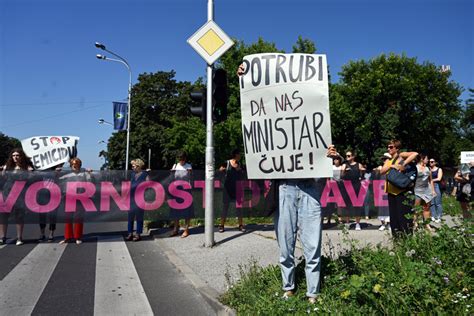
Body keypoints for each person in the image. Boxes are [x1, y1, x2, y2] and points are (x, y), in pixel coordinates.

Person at [237, 63, 337, 304]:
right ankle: (288, 287)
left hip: (310, 188)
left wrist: (334, 156)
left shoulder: (315, 120)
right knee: (285, 244)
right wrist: (246, 78)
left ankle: (312, 293)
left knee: (313, 244)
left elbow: (328, 158)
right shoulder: (274, 111)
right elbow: (254, 111)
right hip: (285, 187)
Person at [380, 140, 418, 237]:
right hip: (391, 193)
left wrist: (403, 164)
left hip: (403, 192)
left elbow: (415, 154)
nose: (389, 149)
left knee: (404, 218)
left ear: (397, 148)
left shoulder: (401, 155)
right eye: (388, 147)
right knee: (394, 219)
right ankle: (397, 240)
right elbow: (382, 171)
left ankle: (408, 239)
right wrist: (392, 166)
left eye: (391, 147)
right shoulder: (389, 161)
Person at [0, 148, 34, 245]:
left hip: (20, 193)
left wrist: (31, 172)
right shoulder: (8, 167)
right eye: (13, 155)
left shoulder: (27, 167)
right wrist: (3, 171)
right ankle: (2, 237)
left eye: (17, 155)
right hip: (7, 192)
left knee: (19, 216)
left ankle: (19, 238)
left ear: (21, 156)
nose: (15, 157)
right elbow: (3, 178)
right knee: (3, 216)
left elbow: (32, 179)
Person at [59, 158, 91, 245]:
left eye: (76, 164)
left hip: (80, 198)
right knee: (68, 218)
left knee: (79, 218)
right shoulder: (67, 175)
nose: (74, 165)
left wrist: (89, 174)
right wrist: (56, 172)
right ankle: (68, 237)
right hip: (69, 198)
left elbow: (90, 182)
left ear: (79, 165)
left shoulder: (84, 174)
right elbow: (58, 180)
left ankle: (78, 236)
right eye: (73, 164)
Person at [218, 149, 245, 233]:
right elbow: (219, 171)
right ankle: (221, 225)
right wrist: (221, 170)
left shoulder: (240, 164)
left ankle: (240, 225)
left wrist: (239, 170)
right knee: (225, 207)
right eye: (239, 154)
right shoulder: (227, 163)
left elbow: (243, 174)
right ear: (235, 155)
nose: (240, 156)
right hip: (227, 188)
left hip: (237, 187)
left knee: (239, 207)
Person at [169, 152, 194, 238]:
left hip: (186, 190)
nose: (181, 161)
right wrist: (171, 172)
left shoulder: (188, 166)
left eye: (182, 159)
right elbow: (172, 177)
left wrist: (190, 173)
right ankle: (176, 228)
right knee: (176, 209)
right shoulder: (175, 166)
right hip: (177, 190)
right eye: (180, 159)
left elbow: (191, 178)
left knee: (187, 210)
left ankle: (186, 229)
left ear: (185, 159)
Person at [341, 150, 366, 230]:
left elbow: (362, 175)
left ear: (353, 156)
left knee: (357, 206)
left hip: (356, 186)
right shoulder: (344, 165)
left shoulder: (358, 165)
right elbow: (341, 176)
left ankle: (357, 223)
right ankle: (347, 223)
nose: (347, 157)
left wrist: (362, 172)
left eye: (348, 156)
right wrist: (344, 171)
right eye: (346, 156)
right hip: (347, 187)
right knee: (347, 206)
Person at [126, 159, 149, 242]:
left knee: (139, 217)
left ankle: (138, 234)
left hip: (140, 198)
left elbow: (148, 185)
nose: (132, 167)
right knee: (130, 216)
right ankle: (130, 233)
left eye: (134, 166)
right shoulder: (132, 174)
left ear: (138, 166)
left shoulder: (145, 174)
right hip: (131, 198)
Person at [413, 154, 435, 231]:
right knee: (416, 208)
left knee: (426, 208)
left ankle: (427, 224)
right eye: (426, 158)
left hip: (426, 190)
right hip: (417, 190)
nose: (428, 160)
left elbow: (431, 180)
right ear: (422, 159)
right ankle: (415, 223)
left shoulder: (428, 168)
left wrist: (433, 190)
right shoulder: (415, 167)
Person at [374, 153, 391, 231]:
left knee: (389, 206)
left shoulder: (391, 168)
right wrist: (377, 171)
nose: (384, 161)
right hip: (381, 189)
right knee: (381, 206)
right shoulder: (380, 168)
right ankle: (383, 224)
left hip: (389, 188)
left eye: (386, 159)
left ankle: (389, 224)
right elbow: (375, 177)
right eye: (383, 159)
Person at [429, 158, 444, 223]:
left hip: (436, 185)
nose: (430, 163)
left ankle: (439, 216)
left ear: (435, 162)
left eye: (432, 162)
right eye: (429, 162)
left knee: (438, 202)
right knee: (431, 202)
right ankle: (433, 215)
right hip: (429, 186)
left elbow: (439, 178)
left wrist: (431, 180)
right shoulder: (428, 169)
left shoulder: (439, 169)